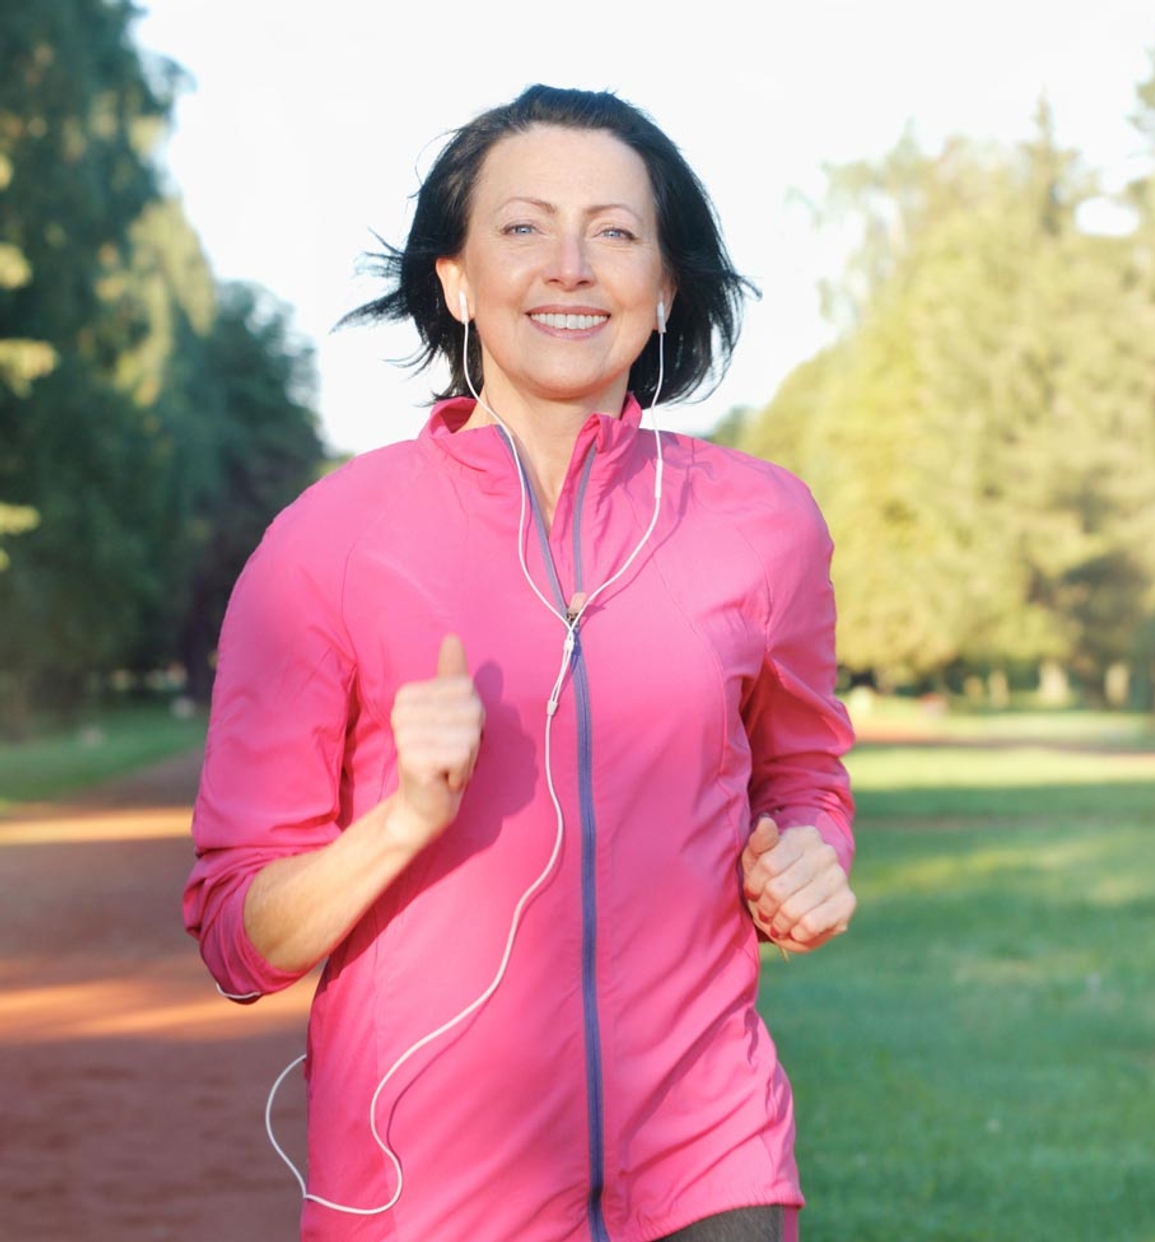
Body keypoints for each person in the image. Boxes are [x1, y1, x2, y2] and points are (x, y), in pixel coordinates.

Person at [183, 83, 856, 1242]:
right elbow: (239, 936)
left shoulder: (764, 526)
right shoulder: (326, 548)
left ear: (664, 286)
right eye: (523, 226)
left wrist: (807, 860)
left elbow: (801, 780)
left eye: (614, 231)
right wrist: (400, 823)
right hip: (424, 1198)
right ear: (454, 279)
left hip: (713, 1172)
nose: (570, 265)